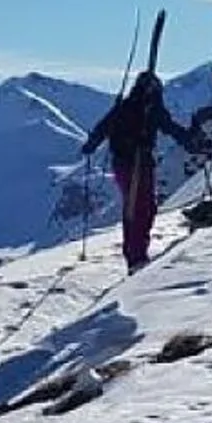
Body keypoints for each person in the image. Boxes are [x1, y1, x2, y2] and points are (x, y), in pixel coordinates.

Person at [81, 71, 197, 273]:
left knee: (139, 207)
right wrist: (190, 141)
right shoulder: (148, 108)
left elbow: (103, 127)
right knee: (140, 208)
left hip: (129, 163)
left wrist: (91, 144)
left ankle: (136, 254)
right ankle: (136, 256)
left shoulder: (129, 106)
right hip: (135, 162)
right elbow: (170, 127)